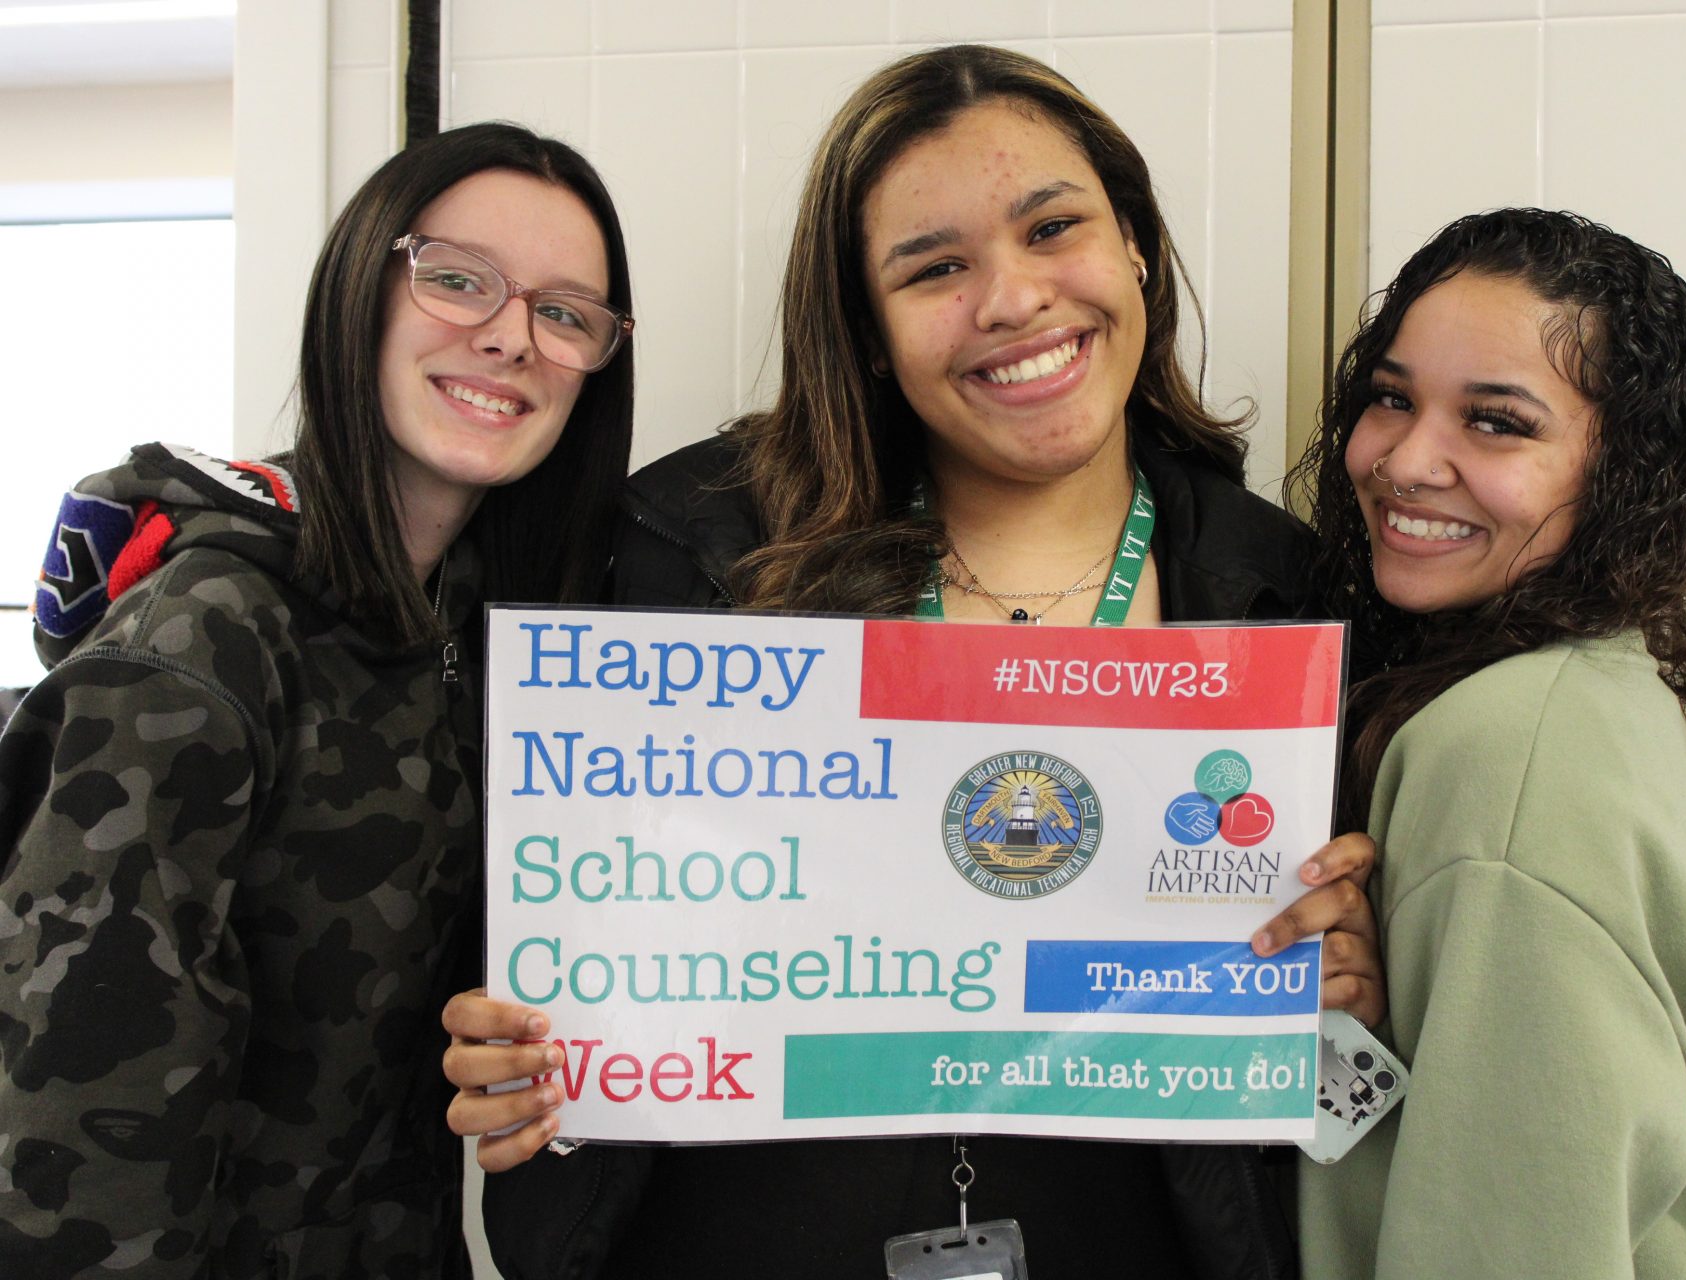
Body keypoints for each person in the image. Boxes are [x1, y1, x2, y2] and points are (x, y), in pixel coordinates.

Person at [443, 44, 1379, 1280]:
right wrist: (528, 1062)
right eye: (936, 267)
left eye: (1053, 227)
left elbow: (1340, 1126)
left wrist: (1349, 1008)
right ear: (870, 333)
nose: (1013, 298)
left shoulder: (1289, 596)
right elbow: (564, 976)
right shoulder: (687, 555)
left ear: (1137, 246)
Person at [0, 122, 634, 1276]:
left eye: (565, 313)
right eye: (458, 279)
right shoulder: (201, 640)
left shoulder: (483, 636)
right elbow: (75, 1146)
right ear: (359, 292)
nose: (510, 337)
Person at [1287, 209, 1686, 1278]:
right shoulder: (1596, 685)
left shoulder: (1506, 747)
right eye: (1392, 398)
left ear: (1622, 472)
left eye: (1496, 422)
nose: (1406, 460)